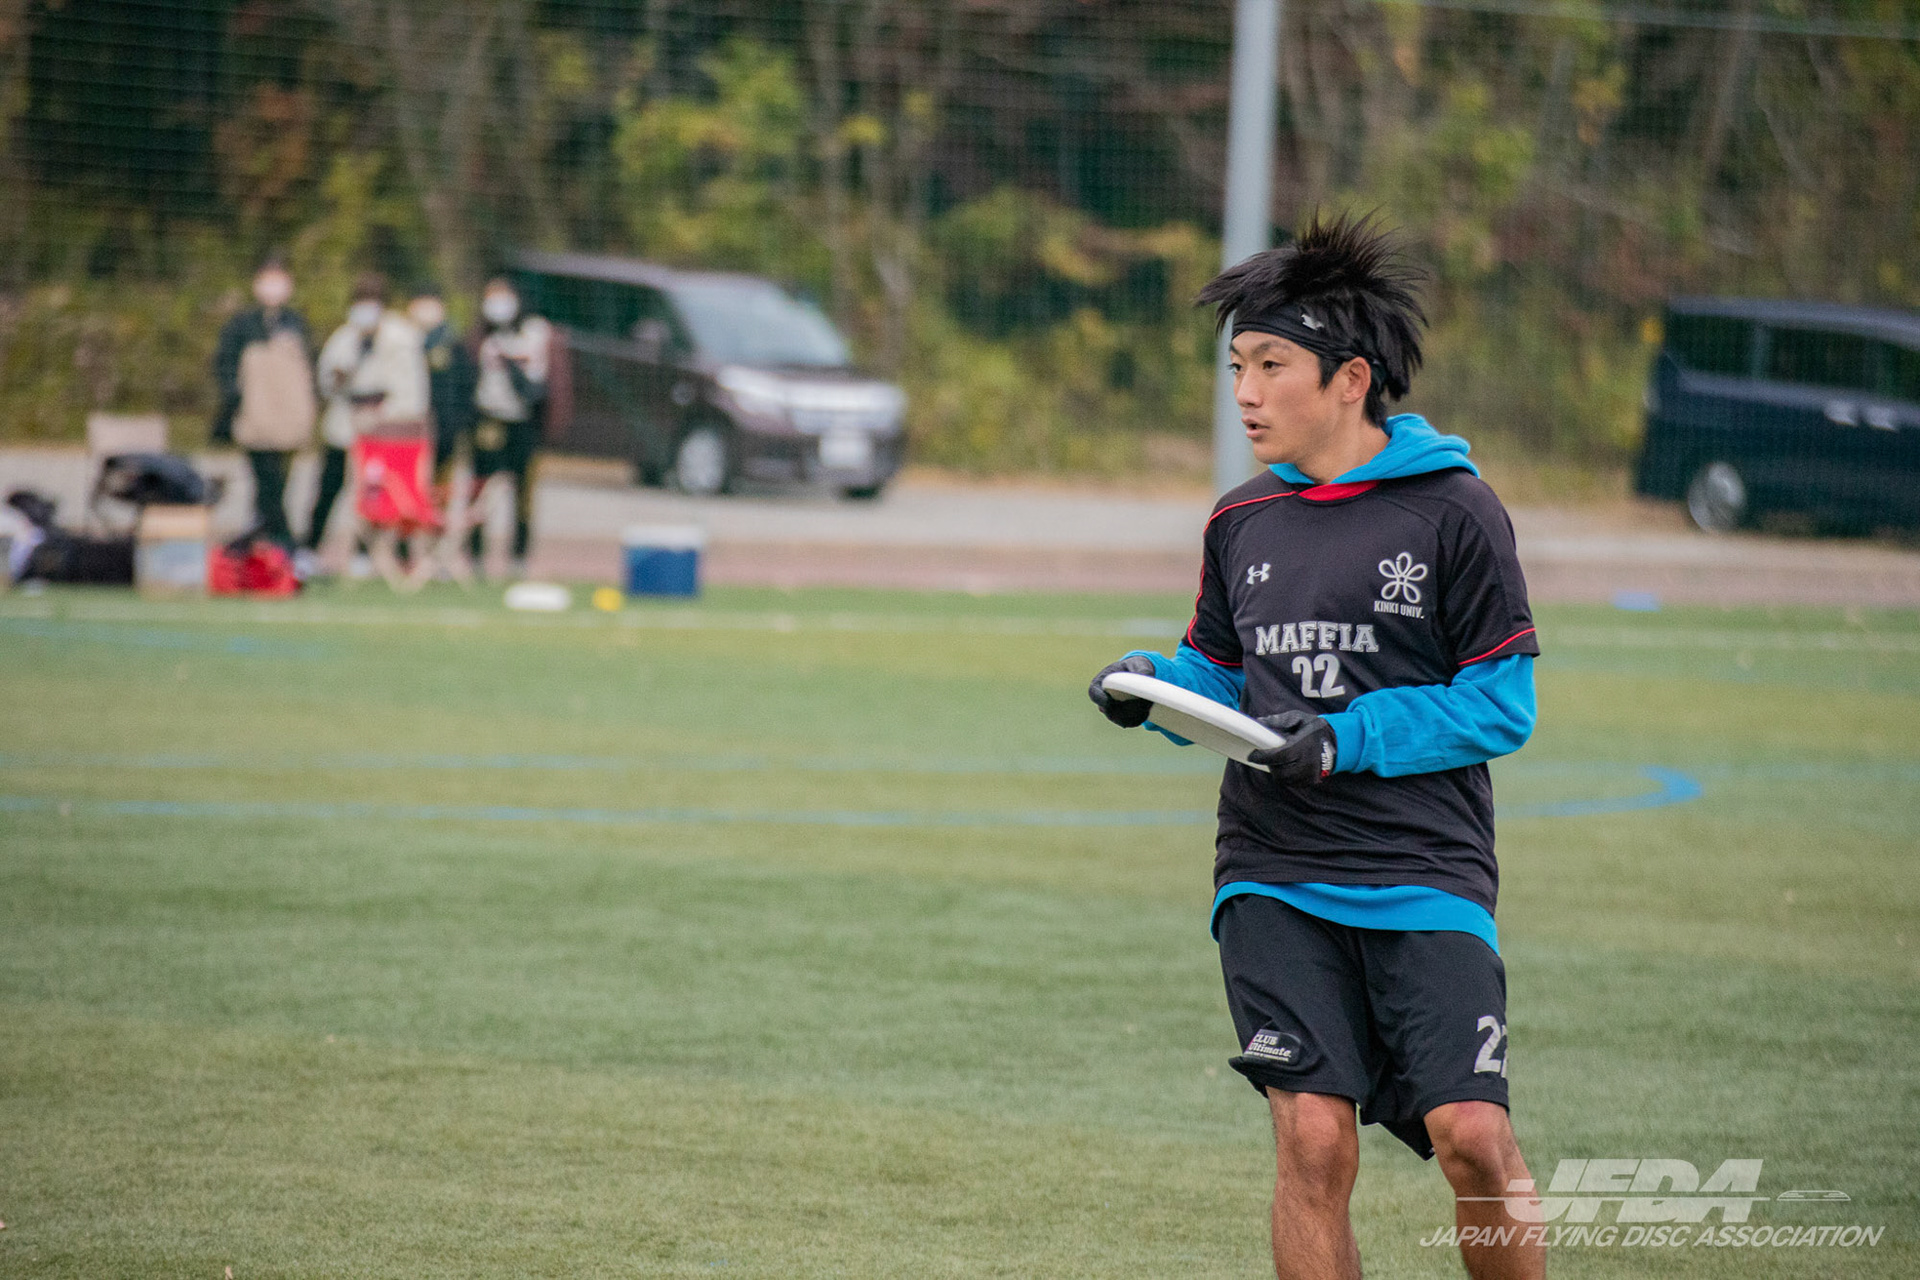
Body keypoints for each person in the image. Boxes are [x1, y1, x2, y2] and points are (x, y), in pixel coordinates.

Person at [1087, 215, 1545, 1280]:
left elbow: (1501, 703)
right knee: (1312, 1138)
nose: (1244, 393)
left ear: (1349, 379)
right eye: (1236, 367)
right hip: (1274, 866)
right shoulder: (1240, 520)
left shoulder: (1457, 512)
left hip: (1423, 864)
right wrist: (1149, 685)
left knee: (1473, 1137)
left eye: (1269, 365)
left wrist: (1344, 738)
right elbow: (1222, 674)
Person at [307, 272, 430, 577]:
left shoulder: (400, 337)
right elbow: (326, 381)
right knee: (330, 488)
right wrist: (342, 375)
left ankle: (387, 557)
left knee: (385, 495)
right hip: (346, 425)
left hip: (386, 434)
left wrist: (381, 419)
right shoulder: (345, 337)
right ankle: (310, 548)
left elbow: (411, 394)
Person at [211, 254, 316, 551]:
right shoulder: (242, 324)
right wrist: (237, 398)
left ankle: (264, 539)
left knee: (278, 483)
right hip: (255, 419)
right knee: (266, 480)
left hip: (288, 420)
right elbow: (225, 366)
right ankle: (281, 539)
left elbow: (308, 370)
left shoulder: (296, 323)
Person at [467, 276, 551, 580]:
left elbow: (540, 381)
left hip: (523, 421)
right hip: (490, 417)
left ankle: (518, 556)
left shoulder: (535, 331)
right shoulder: (481, 334)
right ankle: (476, 554)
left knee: (523, 490)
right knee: (480, 487)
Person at [406, 282, 477, 485]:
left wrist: (458, 424)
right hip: (407, 425)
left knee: (438, 485)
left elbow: (464, 386)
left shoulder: (452, 342)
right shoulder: (403, 339)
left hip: (443, 429)